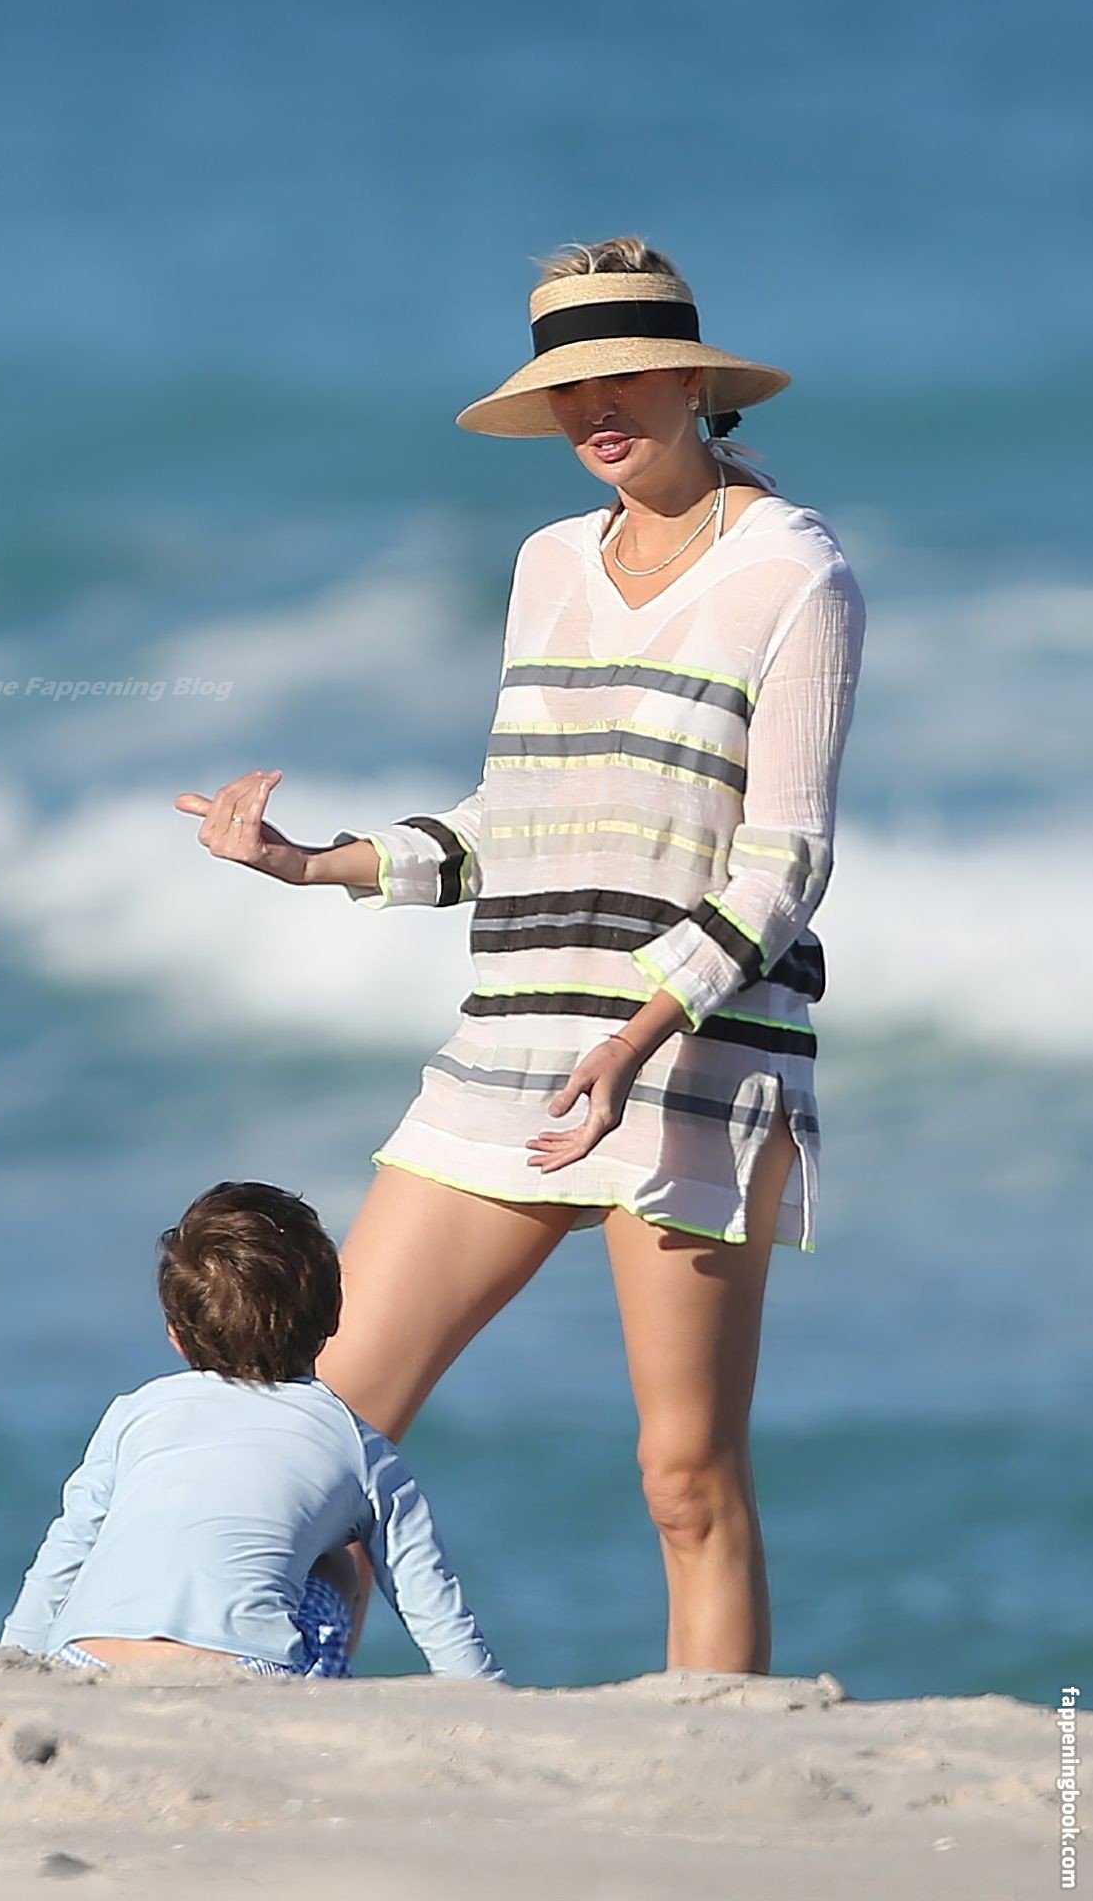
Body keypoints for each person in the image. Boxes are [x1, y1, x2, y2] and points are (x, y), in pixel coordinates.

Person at [175, 236, 867, 1678]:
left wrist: (635, 1036)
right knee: (318, 1430)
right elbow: (521, 821)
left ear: (693, 382)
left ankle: (720, 1770)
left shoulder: (795, 572)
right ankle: (278, 1710)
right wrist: (312, 863)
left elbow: (785, 864)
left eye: (622, 378)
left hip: (687, 1064)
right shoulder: (550, 563)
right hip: (510, 1051)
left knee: (685, 1478)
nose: (593, 409)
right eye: (567, 388)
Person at [0, 1180, 504, 1681]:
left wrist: (11, 1658)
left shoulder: (135, 1412)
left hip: (86, 1656)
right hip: (246, 1669)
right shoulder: (361, 1446)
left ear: (175, 1335)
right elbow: (432, 1604)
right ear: (335, 1314)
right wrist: (482, 1692)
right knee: (336, 1566)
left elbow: (65, 1552)